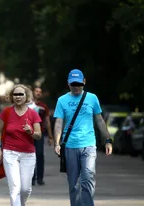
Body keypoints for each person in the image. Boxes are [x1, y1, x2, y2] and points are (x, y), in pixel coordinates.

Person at [53, 69, 113, 206]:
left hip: (89, 145)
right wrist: (57, 143)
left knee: (87, 179)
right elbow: (59, 123)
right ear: (68, 84)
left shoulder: (92, 98)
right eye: (73, 84)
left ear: (84, 82)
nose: (76, 86)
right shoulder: (62, 100)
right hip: (69, 146)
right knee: (73, 184)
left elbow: (100, 120)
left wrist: (108, 140)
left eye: (79, 84)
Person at [0, 84, 42, 206]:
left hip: (28, 154)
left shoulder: (33, 114)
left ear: (26, 96)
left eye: (21, 94)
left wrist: (30, 131)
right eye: (15, 94)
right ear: (12, 97)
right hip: (10, 153)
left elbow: (39, 135)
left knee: (25, 189)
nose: (18, 96)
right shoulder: (6, 112)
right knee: (15, 187)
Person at [31, 86, 54, 186]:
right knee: (30, 156)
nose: (38, 93)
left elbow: (47, 121)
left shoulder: (43, 107)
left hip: (39, 134)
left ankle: (40, 178)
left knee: (39, 155)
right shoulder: (27, 105)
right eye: (36, 91)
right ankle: (31, 178)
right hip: (29, 135)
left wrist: (50, 136)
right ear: (33, 92)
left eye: (40, 92)